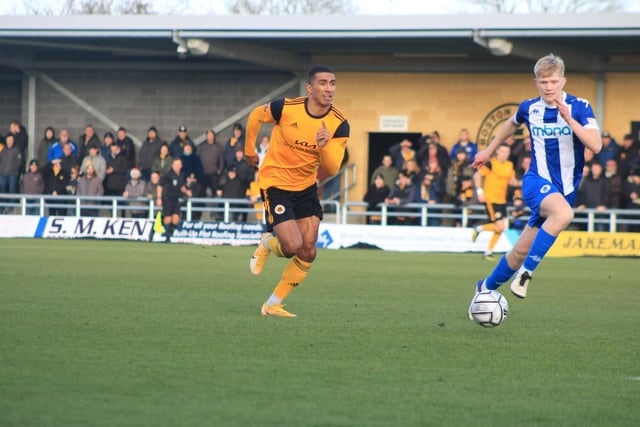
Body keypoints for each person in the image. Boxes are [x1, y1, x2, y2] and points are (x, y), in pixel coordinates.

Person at [470, 54, 602, 308]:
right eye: (543, 82)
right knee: (564, 215)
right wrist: (487, 151)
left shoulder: (580, 107)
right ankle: (526, 274)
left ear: (563, 81)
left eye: (553, 81)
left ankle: (483, 288)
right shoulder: (529, 108)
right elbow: (510, 124)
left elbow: (595, 145)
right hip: (535, 181)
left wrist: (569, 119)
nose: (548, 87)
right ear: (536, 83)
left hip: (564, 189)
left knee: (518, 252)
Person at [244, 65, 349, 318]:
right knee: (291, 246)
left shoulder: (338, 124)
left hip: (306, 187)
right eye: (323, 83)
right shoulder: (286, 108)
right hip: (276, 183)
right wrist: (249, 150)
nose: (329, 88)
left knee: (309, 250)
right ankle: (267, 243)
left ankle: (272, 304)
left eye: (332, 83)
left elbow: (333, 167)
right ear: (310, 88)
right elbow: (256, 115)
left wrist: (323, 146)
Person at [470, 143, 517, 260]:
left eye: (507, 152)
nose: (505, 154)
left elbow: (512, 182)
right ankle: (478, 229)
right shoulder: (491, 164)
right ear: (497, 152)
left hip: (502, 200)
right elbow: (477, 176)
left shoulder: (509, 165)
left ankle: (488, 252)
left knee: (501, 228)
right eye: (502, 152)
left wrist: (525, 182)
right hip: (491, 199)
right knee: (500, 227)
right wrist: (480, 192)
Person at [156, 158, 191, 242]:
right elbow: (160, 186)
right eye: (176, 164)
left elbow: (181, 186)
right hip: (167, 198)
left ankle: (169, 236)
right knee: (167, 219)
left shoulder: (181, 175)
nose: (177, 166)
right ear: (172, 165)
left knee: (176, 218)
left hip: (176, 199)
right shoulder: (168, 174)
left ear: (181, 165)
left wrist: (187, 191)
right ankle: (155, 230)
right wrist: (159, 198)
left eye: (179, 164)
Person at [197, 129, 225, 197]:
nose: (210, 136)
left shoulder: (218, 147)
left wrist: (220, 170)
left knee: (214, 191)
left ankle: (215, 206)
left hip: (213, 173)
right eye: (208, 135)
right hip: (203, 173)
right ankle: (201, 206)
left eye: (211, 135)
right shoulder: (202, 147)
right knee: (201, 191)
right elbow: (197, 159)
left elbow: (222, 160)